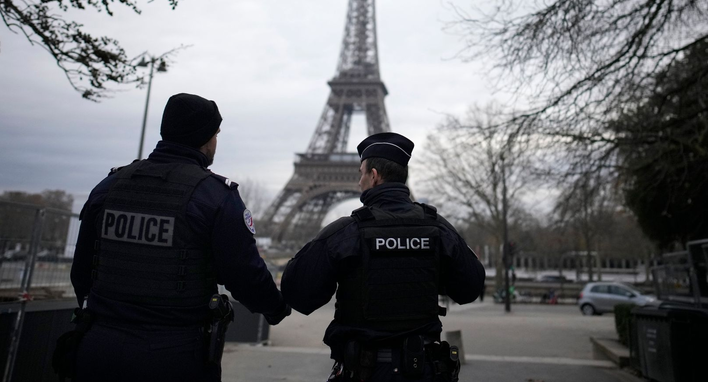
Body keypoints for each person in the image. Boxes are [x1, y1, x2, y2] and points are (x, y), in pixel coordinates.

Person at [65, 93, 291, 382]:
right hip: (173, 352)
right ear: (206, 138)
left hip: (97, 345)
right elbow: (243, 273)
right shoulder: (216, 197)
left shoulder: (109, 186)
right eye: (215, 134)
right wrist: (276, 307)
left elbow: (82, 269)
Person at [281, 132, 485, 382]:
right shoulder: (438, 229)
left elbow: (298, 293)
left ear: (374, 176)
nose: (358, 182)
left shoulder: (347, 233)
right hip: (424, 368)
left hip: (367, 370)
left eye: (361, 174)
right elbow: (470, 288)